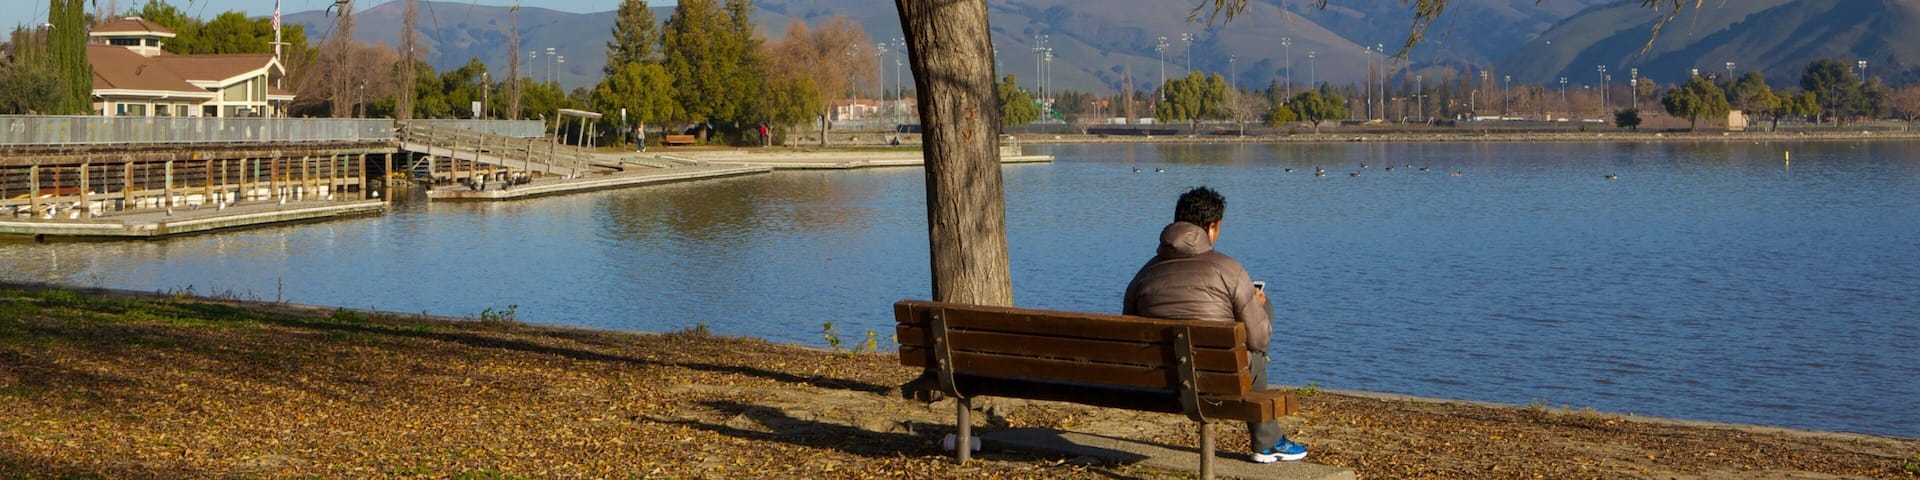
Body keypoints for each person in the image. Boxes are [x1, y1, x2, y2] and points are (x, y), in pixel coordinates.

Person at [1122, 186, 1308, 463]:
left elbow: (1129, 325)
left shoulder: (1145, 272)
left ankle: (1268, 441)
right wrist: (1258, 305)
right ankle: (1267, 443)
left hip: (1158, 379)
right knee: (1255, 349)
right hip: (1216, 379)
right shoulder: (1229, 269)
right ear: (1210, 229)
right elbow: (1259, 340)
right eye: (1219, 227)